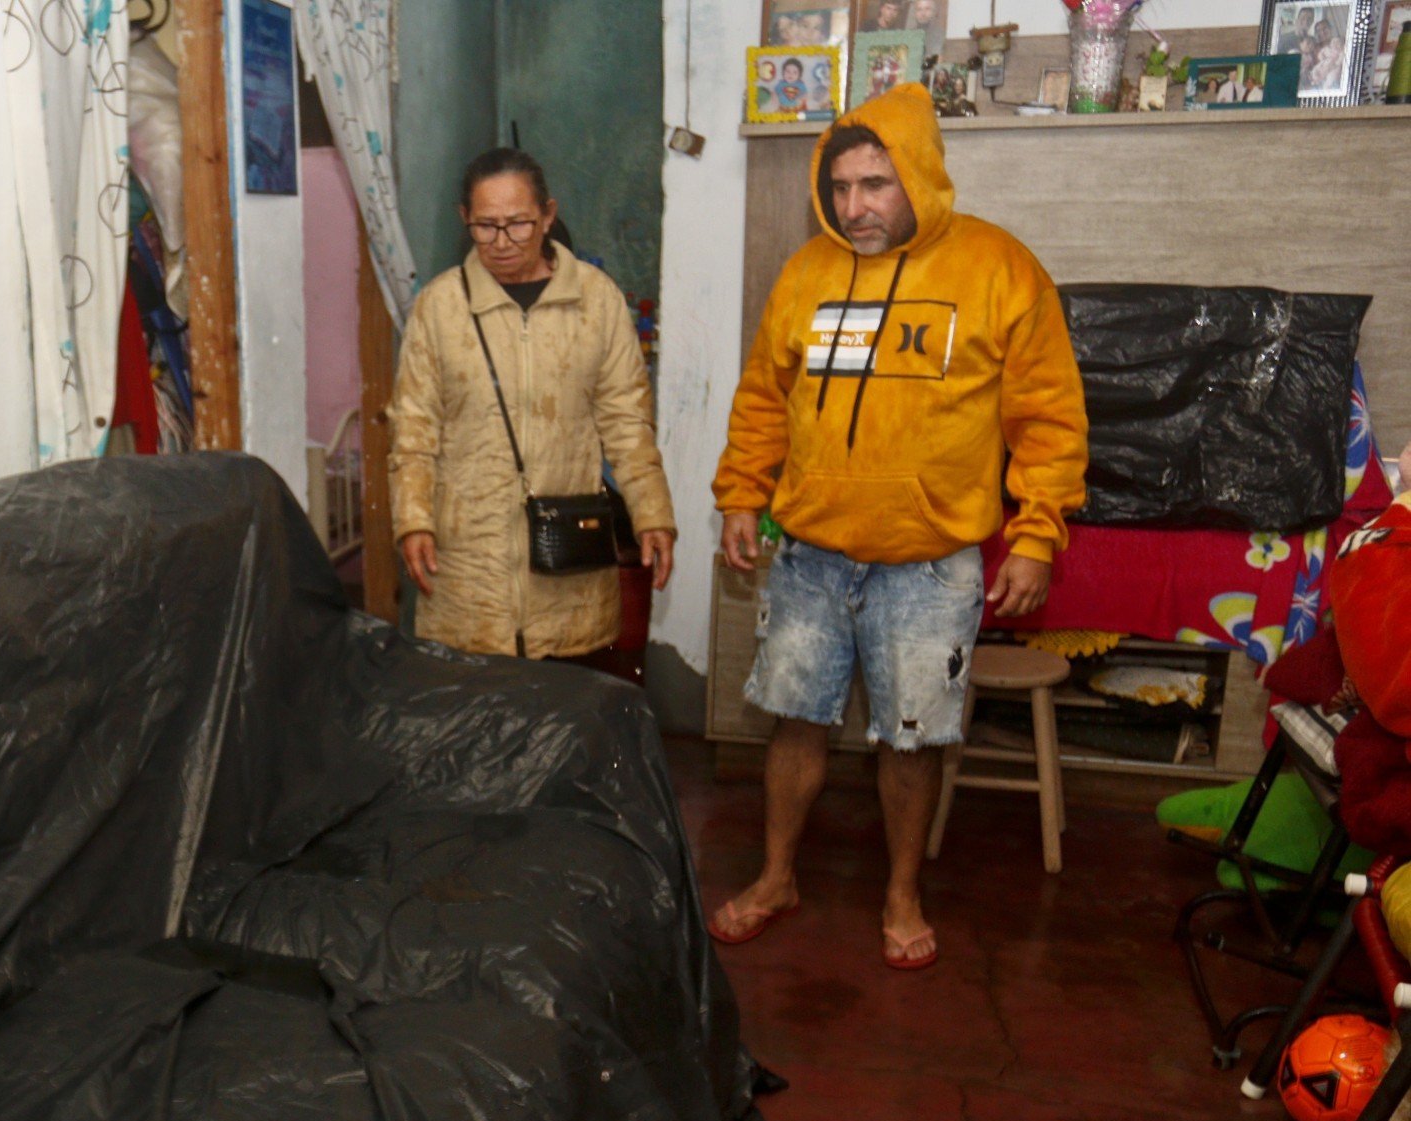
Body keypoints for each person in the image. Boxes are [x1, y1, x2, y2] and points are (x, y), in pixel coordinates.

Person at [709, 85, 1088, 969]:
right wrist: (739, 493)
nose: (855, 206)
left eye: (875, 183)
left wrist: (1036, 533)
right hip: (810, 552)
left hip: (929, 563)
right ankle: (776, 877)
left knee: (911, 735)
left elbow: (1050, 418)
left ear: (918, 175)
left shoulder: (1000, 269)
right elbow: (766, 396)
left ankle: (901, 892)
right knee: (795, 722)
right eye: (840, 187)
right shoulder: (807, 272)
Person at [388, 149, 677, 662]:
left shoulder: (596, 300)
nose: (501, 242)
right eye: (485, 226)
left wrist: (652, 511)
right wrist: (413, 520)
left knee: (564, 719)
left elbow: (627, 422)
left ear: (547, 215)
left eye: (519, 224)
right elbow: (414, 426)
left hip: (567, 566)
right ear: (465, 220)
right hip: (469, 565)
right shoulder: (440, 306)